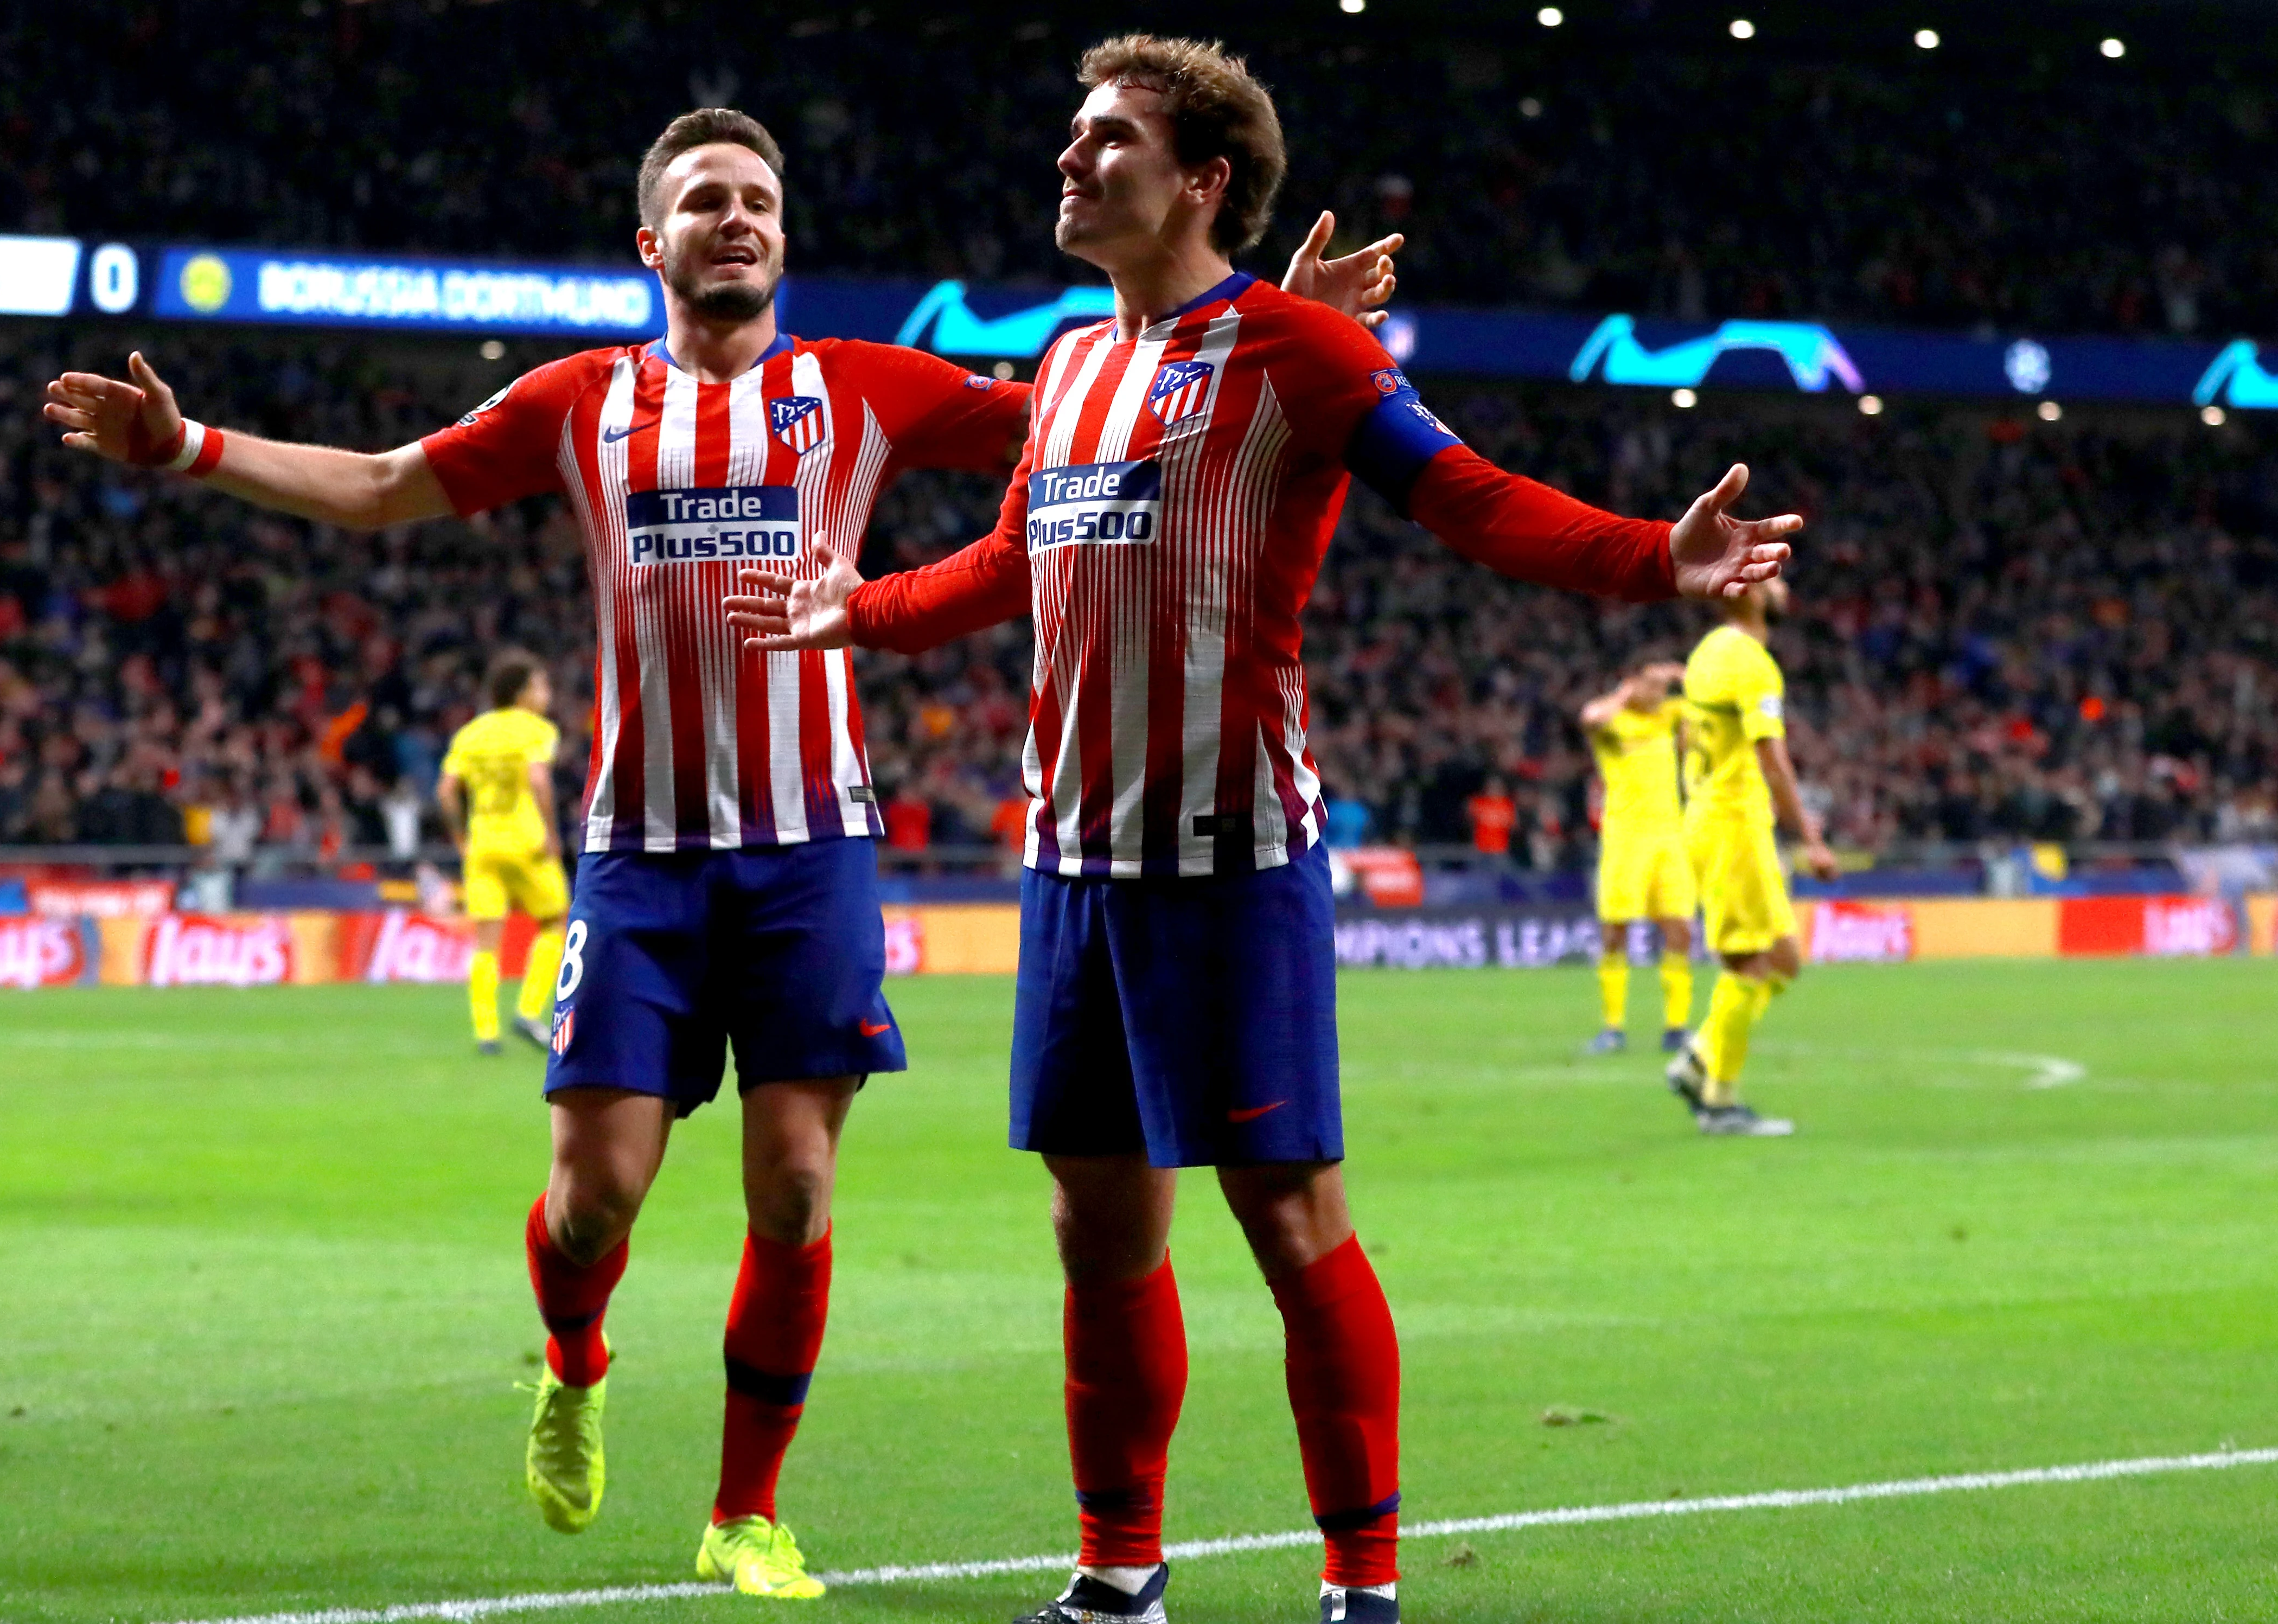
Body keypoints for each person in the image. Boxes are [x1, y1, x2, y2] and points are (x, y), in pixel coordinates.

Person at [46, 104, 1401, 1598]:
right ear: (655, 241)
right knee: (595, 1197)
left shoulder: (861, 388)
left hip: (812, 848)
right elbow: (379, 486)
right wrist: (190, 444)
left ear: (783, 235)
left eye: (758, 199)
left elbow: (1116, 399)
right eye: (704, 202)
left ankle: (743, 1510)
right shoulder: (578, 401)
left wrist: (1276, 336)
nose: (736, 219)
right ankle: (575, 1362)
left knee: (799, 1187)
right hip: (639, 855)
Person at [724, 36, 1798, 1624]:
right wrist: (857, 607)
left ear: (1201, 179)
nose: (1070, 161)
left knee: (1290, 1221)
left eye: (1108, 140)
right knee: (1094, 1231)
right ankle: (1116, 1573)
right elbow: (1009, 563)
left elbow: (1469, 494)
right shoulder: (1076, 366)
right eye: (1071, 136)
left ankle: (1358, 1581)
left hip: (1234, 869)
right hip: (1076, 872)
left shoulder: (1299, 351)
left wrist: (1654, 555)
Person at [1666, 579, 1838, 1135]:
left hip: (1727, 821)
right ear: (1754, 599)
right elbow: (1773, 760)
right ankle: (1719, 1102)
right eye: (1772, 579)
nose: (1780, 583)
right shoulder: (1752, 664)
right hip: (1731, 824)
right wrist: (1809, 837)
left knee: (1784, 959)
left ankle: (1698, 1060)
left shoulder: (1706, 652)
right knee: (1749, 965)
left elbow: (1686, 739)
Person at [439, 650, 569, 1055]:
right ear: (522, 693)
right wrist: (551, 831)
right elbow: (538, 780)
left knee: (486, 941)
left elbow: (446, 792)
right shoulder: (535, 729)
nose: (546, 694)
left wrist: (461, 838)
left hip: (482, 843)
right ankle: (529, 1011)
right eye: (541, 685)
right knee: (555, 923)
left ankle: (486, 1034)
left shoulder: (471, 733)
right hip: (527, 842)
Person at [1578, 660, 1698, 1054]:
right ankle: (1612, 1028)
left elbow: (1709, 699)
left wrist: (1681, 675)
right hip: (1624, 842)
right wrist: (1624, 695)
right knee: (1615, 933)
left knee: (1679, 930)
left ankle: (1676, 1027)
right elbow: (1589, 717)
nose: (1659, 695)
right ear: (1631, 687)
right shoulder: (1615, 724)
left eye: (1662, 690)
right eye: (1651, 688)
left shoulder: (1668, 716)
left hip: (1669, 839)